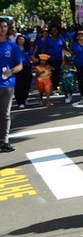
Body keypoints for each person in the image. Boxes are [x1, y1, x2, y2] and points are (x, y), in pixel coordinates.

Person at [0, 19, 24, 152]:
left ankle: (4, 141)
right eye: (0, 27)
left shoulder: (12, 46)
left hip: (7, 84)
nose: (2, 29)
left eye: (4, 26)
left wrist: (11, 71)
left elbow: (20, 65)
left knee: (5, 113)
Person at [14, 34, 33, 109]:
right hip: (17, 68)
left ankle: (25, 97)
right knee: (19, 85)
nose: (21, 41)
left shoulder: (28, 49)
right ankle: (20, 102)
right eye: (19, 39)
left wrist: (40, 61)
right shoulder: (14, 48)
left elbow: (32, 57)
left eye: (22, 39)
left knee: (27, 84)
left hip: (26, 67)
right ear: (17, 40)